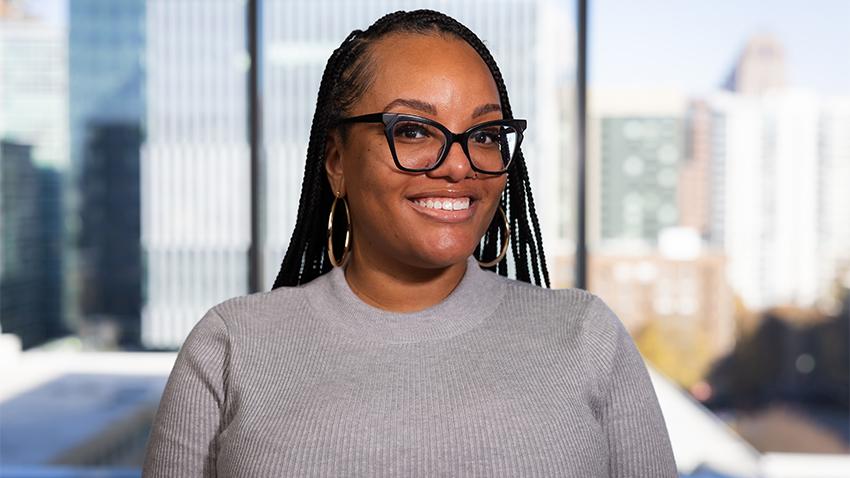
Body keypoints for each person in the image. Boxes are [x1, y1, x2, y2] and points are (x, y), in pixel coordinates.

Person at [142, 9, 677, 477]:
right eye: (414, 130)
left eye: (486, 136)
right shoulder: (231, 346)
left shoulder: (586, 337)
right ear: (336, 163)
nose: (460, 164)